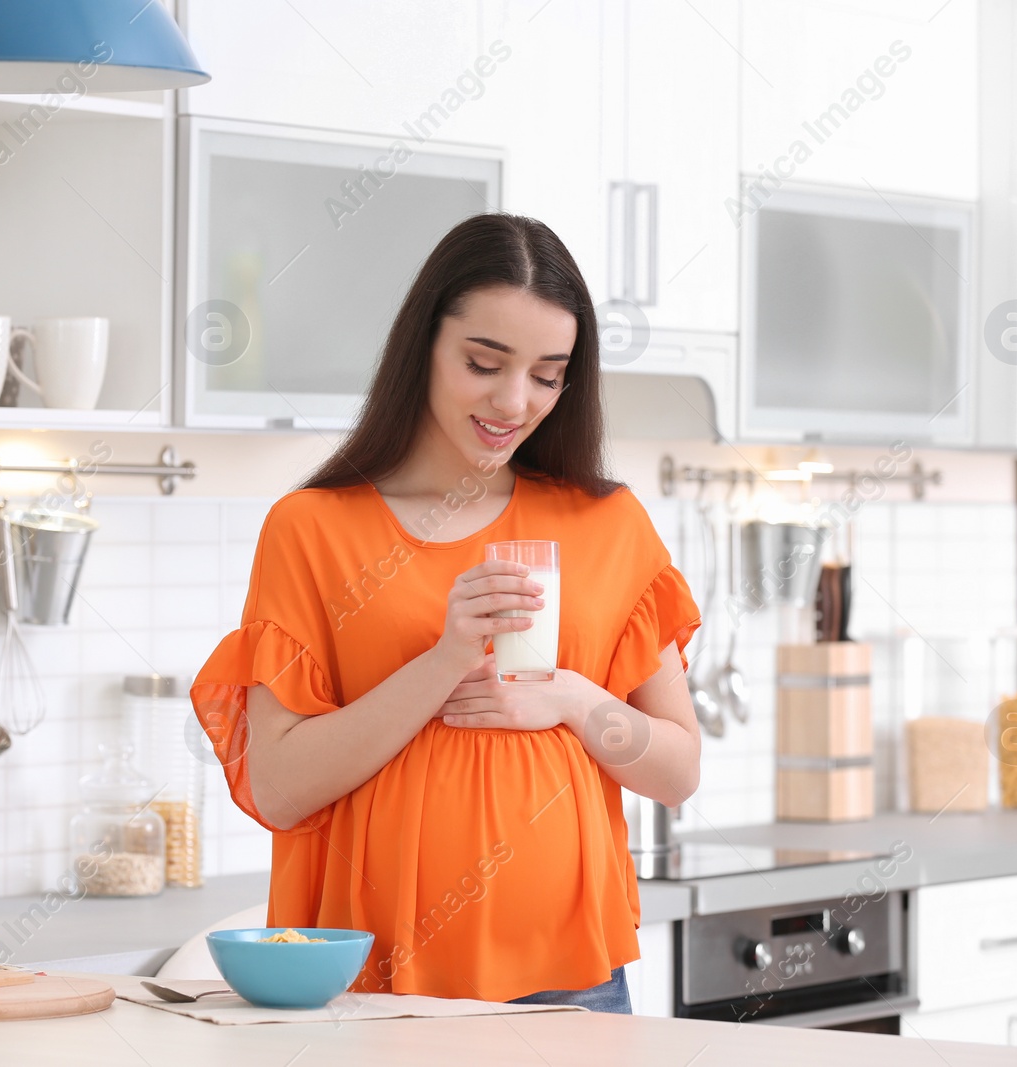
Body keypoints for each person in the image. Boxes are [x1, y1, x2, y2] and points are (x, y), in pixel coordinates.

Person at [192, 213, 702, 1013]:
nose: (513, 399)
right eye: (484, 362)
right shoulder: (315, 529)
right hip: (375, 990)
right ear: (423, 344)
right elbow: (282, 787)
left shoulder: (606, 524)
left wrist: (573, 697)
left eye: (547, 373)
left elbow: (676, 770)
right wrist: (442, 660)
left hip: (571, 987)